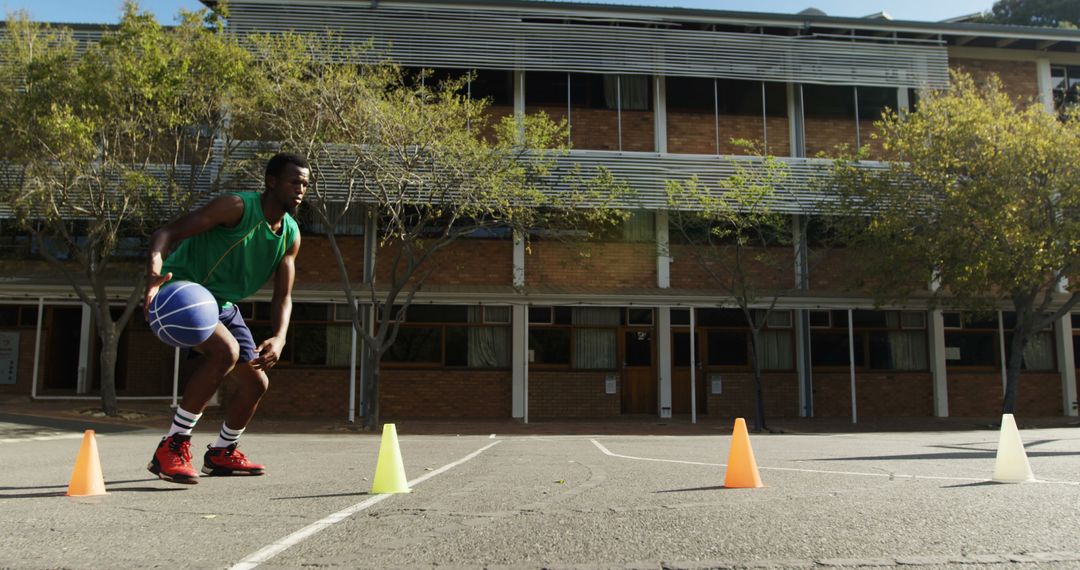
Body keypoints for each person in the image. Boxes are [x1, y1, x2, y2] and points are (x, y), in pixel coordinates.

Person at [144, 152, 308, 484]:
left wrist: (280, 336)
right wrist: (153, 274)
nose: (301, 189)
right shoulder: (235, 207)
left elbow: (283, 296)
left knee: (256, 383)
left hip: (221, 304)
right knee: (226, 353)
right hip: (181, 291)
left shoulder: (291, 235)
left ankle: (222, 451)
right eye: (294, 182)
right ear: (272, 182)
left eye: (305, 184)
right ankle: (172, 446)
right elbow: (165, 233)